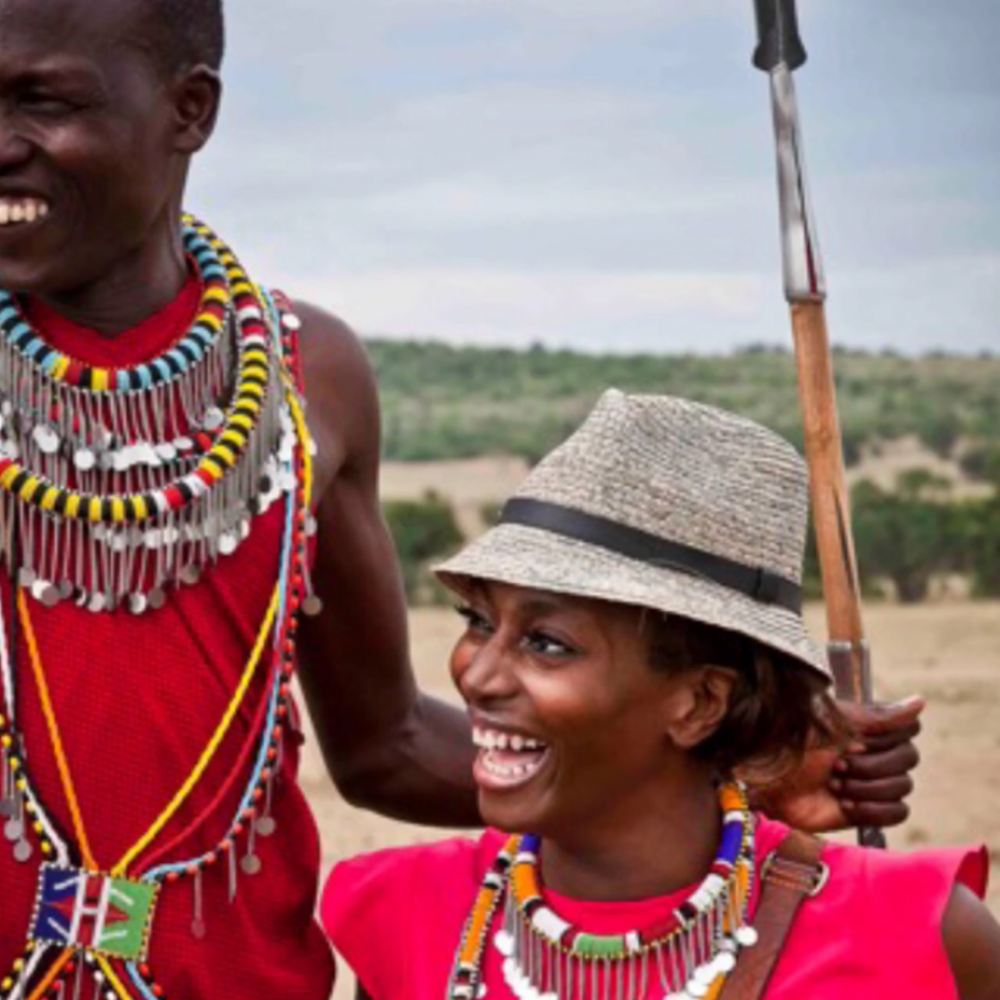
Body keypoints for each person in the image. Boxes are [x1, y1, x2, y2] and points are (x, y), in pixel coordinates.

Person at [0, 1, 924, 997]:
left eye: (40, 100)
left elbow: (386, 746)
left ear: (190, 109)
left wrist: (740, 771)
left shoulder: (309, 377)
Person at [323, 391, 1000, 1000]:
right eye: (480, 622)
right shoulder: (410, 916)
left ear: (700, 702)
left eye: (547, 643)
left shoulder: (914, 934)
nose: (477, 675)